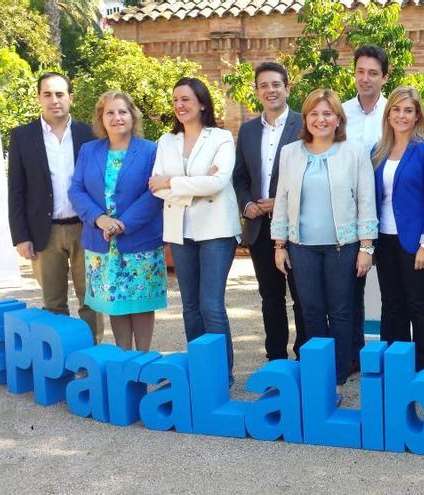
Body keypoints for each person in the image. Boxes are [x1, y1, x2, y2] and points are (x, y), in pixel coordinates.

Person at [272, 89, 377, 398]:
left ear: (338, 119)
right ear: (306, 119)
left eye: (327, 114)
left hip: (342, 247)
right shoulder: (290, 152)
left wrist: (366, 247)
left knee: (342, 310)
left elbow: (366, 201)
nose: (321, 119)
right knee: (311, 310)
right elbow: (281, 200)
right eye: (314, 114)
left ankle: (340, 369)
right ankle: (317, 368)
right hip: (300, 246)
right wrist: (279, 245)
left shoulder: (354, 151)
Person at [149, 78, 240, 379]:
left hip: (216, 231)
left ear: (201, 102)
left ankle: (221, 373)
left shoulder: (221, 138)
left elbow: (218, 182)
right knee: (189, 305)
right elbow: (155, 186)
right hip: (180, 230)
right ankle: (201, 371)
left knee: (211, 304)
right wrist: (195, 185)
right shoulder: (166, 141)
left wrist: (172, 182)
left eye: (185, 99)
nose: (179, 105)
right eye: (175, 100)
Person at [7, 72, 104, 343]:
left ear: (70, 98)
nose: (54, 100)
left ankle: (92, 358)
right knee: (53, 303)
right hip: (43, 233)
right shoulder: (23, 137)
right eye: (47, 94)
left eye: (60, 94)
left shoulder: (89, 134)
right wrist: (21, 236)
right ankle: (62, 361)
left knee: (92, 300)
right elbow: (16, 190)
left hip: (86, 228)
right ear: (39, 98)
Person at [68, 90, 165, 351]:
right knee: (115, 302)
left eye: (122, 112)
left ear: (132, 116)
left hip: (139, 241)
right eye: (109, 112)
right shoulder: (89, 150)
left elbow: (154, 192)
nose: (116, 117)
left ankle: (143, 358)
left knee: (140, 302)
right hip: (101, 243)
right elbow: (76, 190)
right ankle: (124, 359)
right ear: (101, 118)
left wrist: (122, 224)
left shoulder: (151, 151)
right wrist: (99, 219)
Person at [232, 62, 307, 361]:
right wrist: (247, 203)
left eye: (276, 84)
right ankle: (276, 359)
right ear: (256, 91)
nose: (270, 90)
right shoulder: (248, 130)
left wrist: (282, 201)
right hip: (260, 227)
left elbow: (311, 175)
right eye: (263, 85)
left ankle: (305, 358)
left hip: (296, 225)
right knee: (270, 297)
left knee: (302, 298)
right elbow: (239, 177)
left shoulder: (305, 124)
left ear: (287, 88)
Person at [372, 87, 424, 371]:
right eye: (396, 109)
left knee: (417, 303)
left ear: (417, 117)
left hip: (415, 243)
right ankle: (396, 364)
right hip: (384, 239)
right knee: (391, 303)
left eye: (408, 110)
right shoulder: (377, 152)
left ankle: (421, 367)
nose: (401, 115)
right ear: (388, 114)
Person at [342, 45, 390, 370]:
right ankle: (354, 355)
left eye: (373, 72)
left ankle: (388, 356)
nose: (366, 78)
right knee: (350, 288)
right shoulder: (340, 112)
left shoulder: (394, 113)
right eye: (361, 71)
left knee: (390, 291)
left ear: (384, 77)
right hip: (347, 215)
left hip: (386, 215)